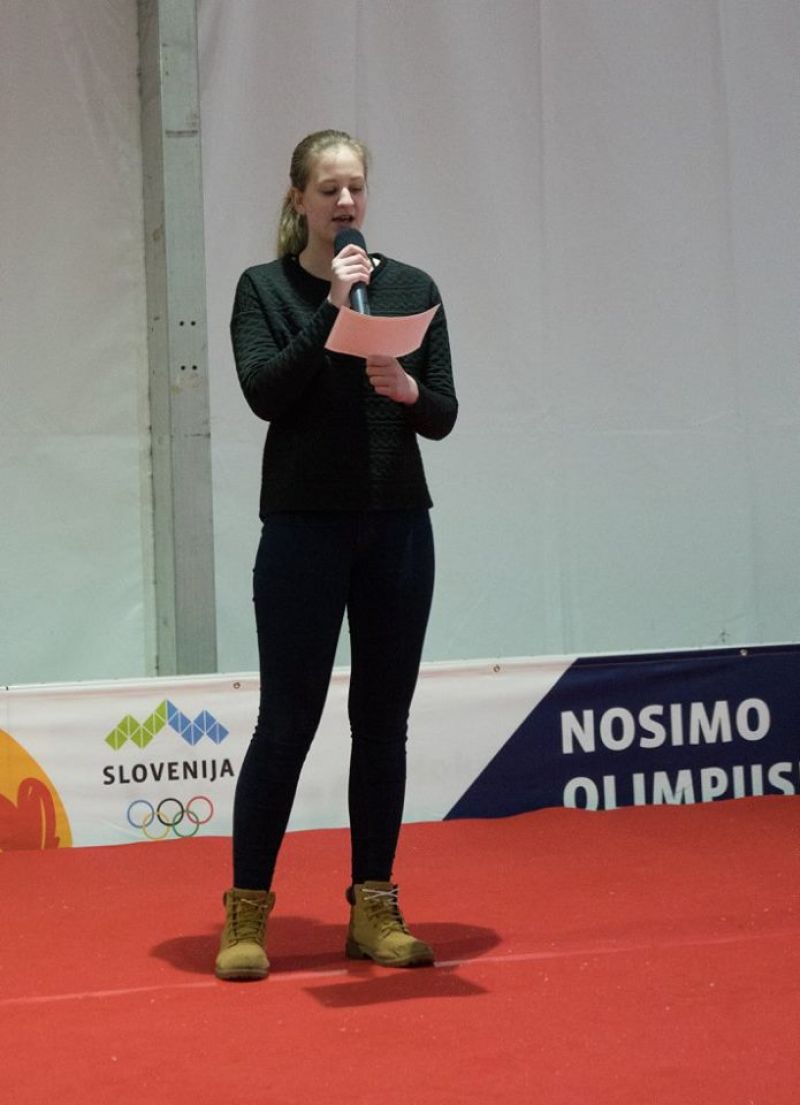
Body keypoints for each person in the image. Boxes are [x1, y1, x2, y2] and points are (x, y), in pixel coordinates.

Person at [215, 129, 458, 981]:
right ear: (299, 200)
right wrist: (332, 308)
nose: (346, 203)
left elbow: (444, 412)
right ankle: (247, 910)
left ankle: (374, 905)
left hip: (397, 526)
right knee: (287, 720)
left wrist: (411, 389)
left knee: (382, 722)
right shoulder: (265, 288)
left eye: (355, 187)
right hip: (303, 528)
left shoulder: (413, 287)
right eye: (329, 190)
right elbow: (264, 392)